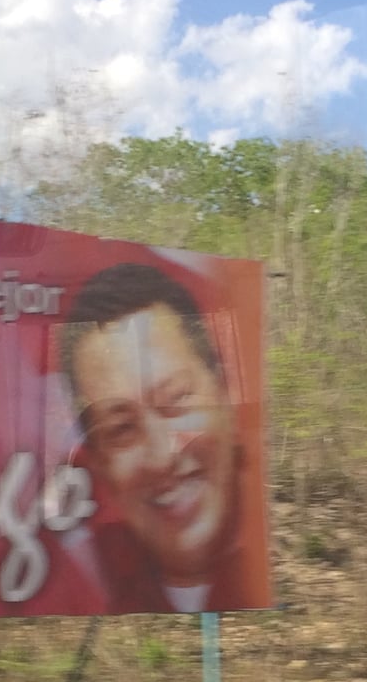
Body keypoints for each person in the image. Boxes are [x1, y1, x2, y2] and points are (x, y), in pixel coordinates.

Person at [60, 262, 257, 614]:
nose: (162, 455)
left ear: (226, 392)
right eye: (121, 429)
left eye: (177, 398)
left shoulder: (269, 548)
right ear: (99, 463)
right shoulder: (75, 578)